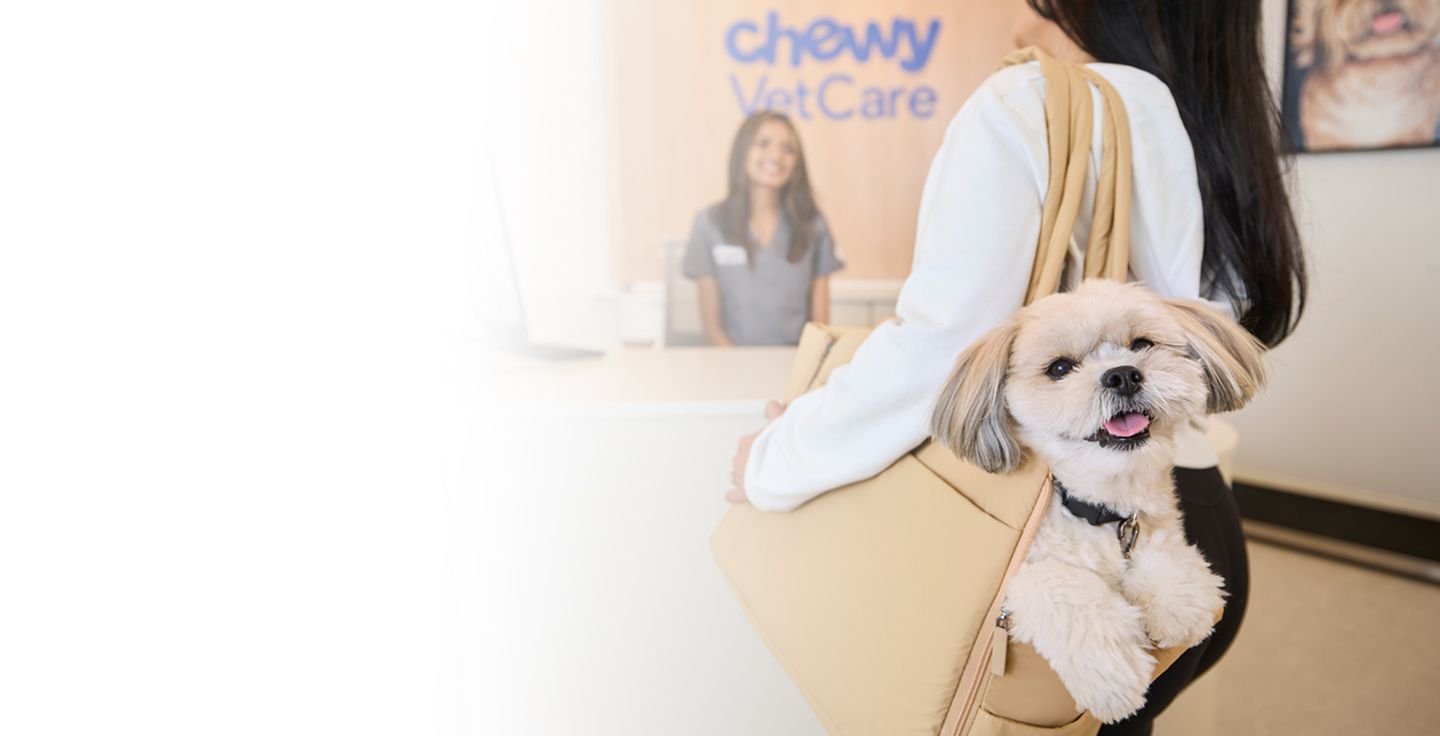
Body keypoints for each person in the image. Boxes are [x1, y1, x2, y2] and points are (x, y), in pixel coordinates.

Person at [724, 2, 1308, 734]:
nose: (1011, 17)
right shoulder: (1184, 109)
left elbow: (938, 350)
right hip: (1194, 519)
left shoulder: (1022, 102)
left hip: (1055, 549)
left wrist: (776, 459)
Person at [682, 111, 844, 346]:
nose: (776, 155)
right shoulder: (709, 223)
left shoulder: (813, 225)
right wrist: (740, 373)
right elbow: (712, 330)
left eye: (788, 149)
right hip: (729, 369)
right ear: (742, 151)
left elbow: (820, 329)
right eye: (763, 143)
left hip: (794, 370)